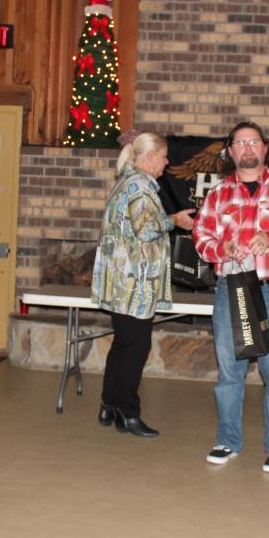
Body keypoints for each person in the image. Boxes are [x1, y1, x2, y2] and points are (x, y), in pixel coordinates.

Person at [192, 121, 269, 473]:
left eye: (253, 142)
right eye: (240, 143)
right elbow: (201, 237)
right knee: (229, 371)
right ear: (230, 151)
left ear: (265, 148)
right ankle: (227, 440)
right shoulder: (218, 194)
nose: (247, 148)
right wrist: (222, 248)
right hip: (230, 290)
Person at [92, 132, 194, 437]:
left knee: (123, 345)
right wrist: (174, 221)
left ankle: (110, 404)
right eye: (163, 156)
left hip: (121, 282)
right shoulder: (140, 185)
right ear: (149, 158)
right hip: (135, 283)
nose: (167, 162)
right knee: (136, 347)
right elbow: (146, 229)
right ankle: (128, 412)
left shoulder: (126, 181)